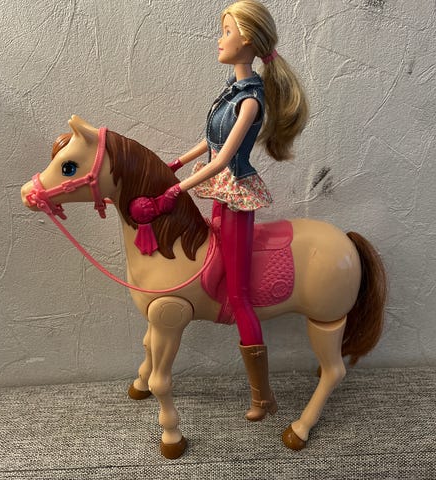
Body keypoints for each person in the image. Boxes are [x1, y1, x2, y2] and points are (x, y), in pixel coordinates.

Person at [130, 0, 308, 421]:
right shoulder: (232, 90)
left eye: (226, 31)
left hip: (235, 195)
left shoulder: (251, 102)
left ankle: (262, 396)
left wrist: (176, 191)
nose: (219, 39)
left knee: (240, 296)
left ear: (246, 39)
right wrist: (174, 164)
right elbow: (208, 141)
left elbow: (224, 159)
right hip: (220, 195)